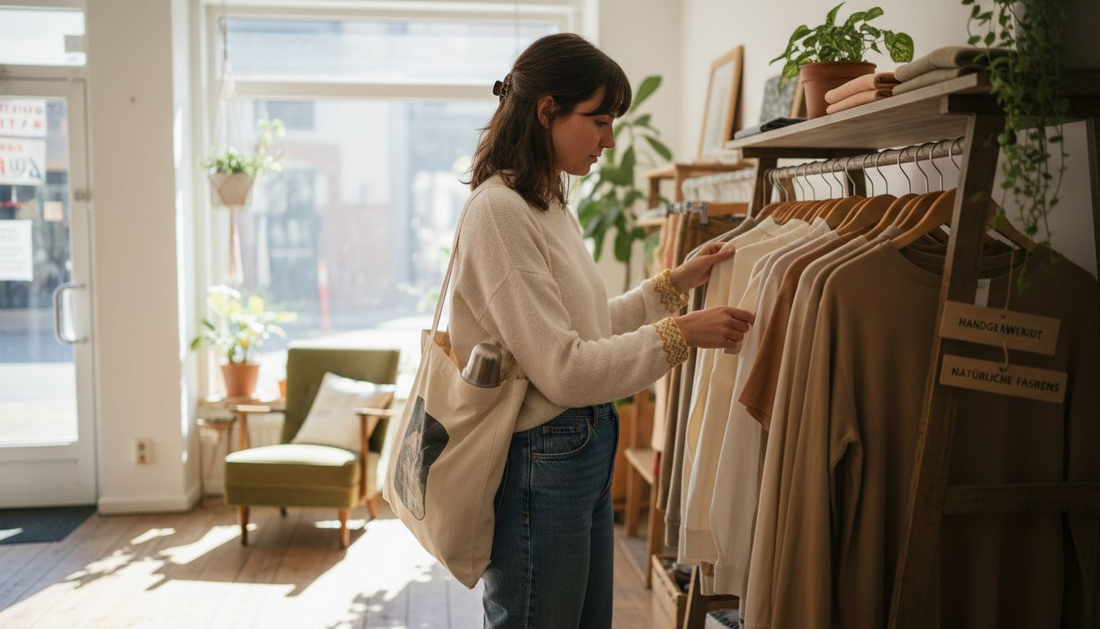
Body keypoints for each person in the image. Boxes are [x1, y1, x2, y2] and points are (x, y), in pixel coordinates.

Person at [452, 32, 755, 629]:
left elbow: (583, 328)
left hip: (582, 444)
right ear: (547, 112)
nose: (610, 139)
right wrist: (680, 334)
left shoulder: (546, 204)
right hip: (543, 455)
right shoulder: (499, 212)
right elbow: (564, 368)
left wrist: (672, 285)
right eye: (599, 119)